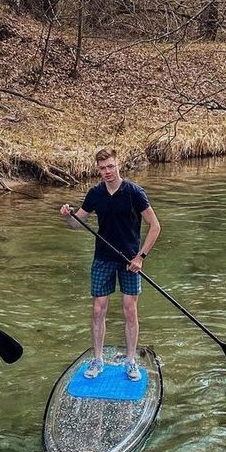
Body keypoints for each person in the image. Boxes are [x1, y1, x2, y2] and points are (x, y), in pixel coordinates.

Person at [60, 148, 161, 381]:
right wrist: (68, 215)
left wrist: (140, 258)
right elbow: (76, 225)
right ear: (98, 169)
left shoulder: (134, 192)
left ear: (118, 165)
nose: (107, 172)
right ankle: (97, 360)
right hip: (103, 258)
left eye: (111, 166)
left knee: (129, 309)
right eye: (103, 168)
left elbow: (155, 226)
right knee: (97, 309)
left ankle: (131, 361)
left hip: (129, 261)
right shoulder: (95, 194)